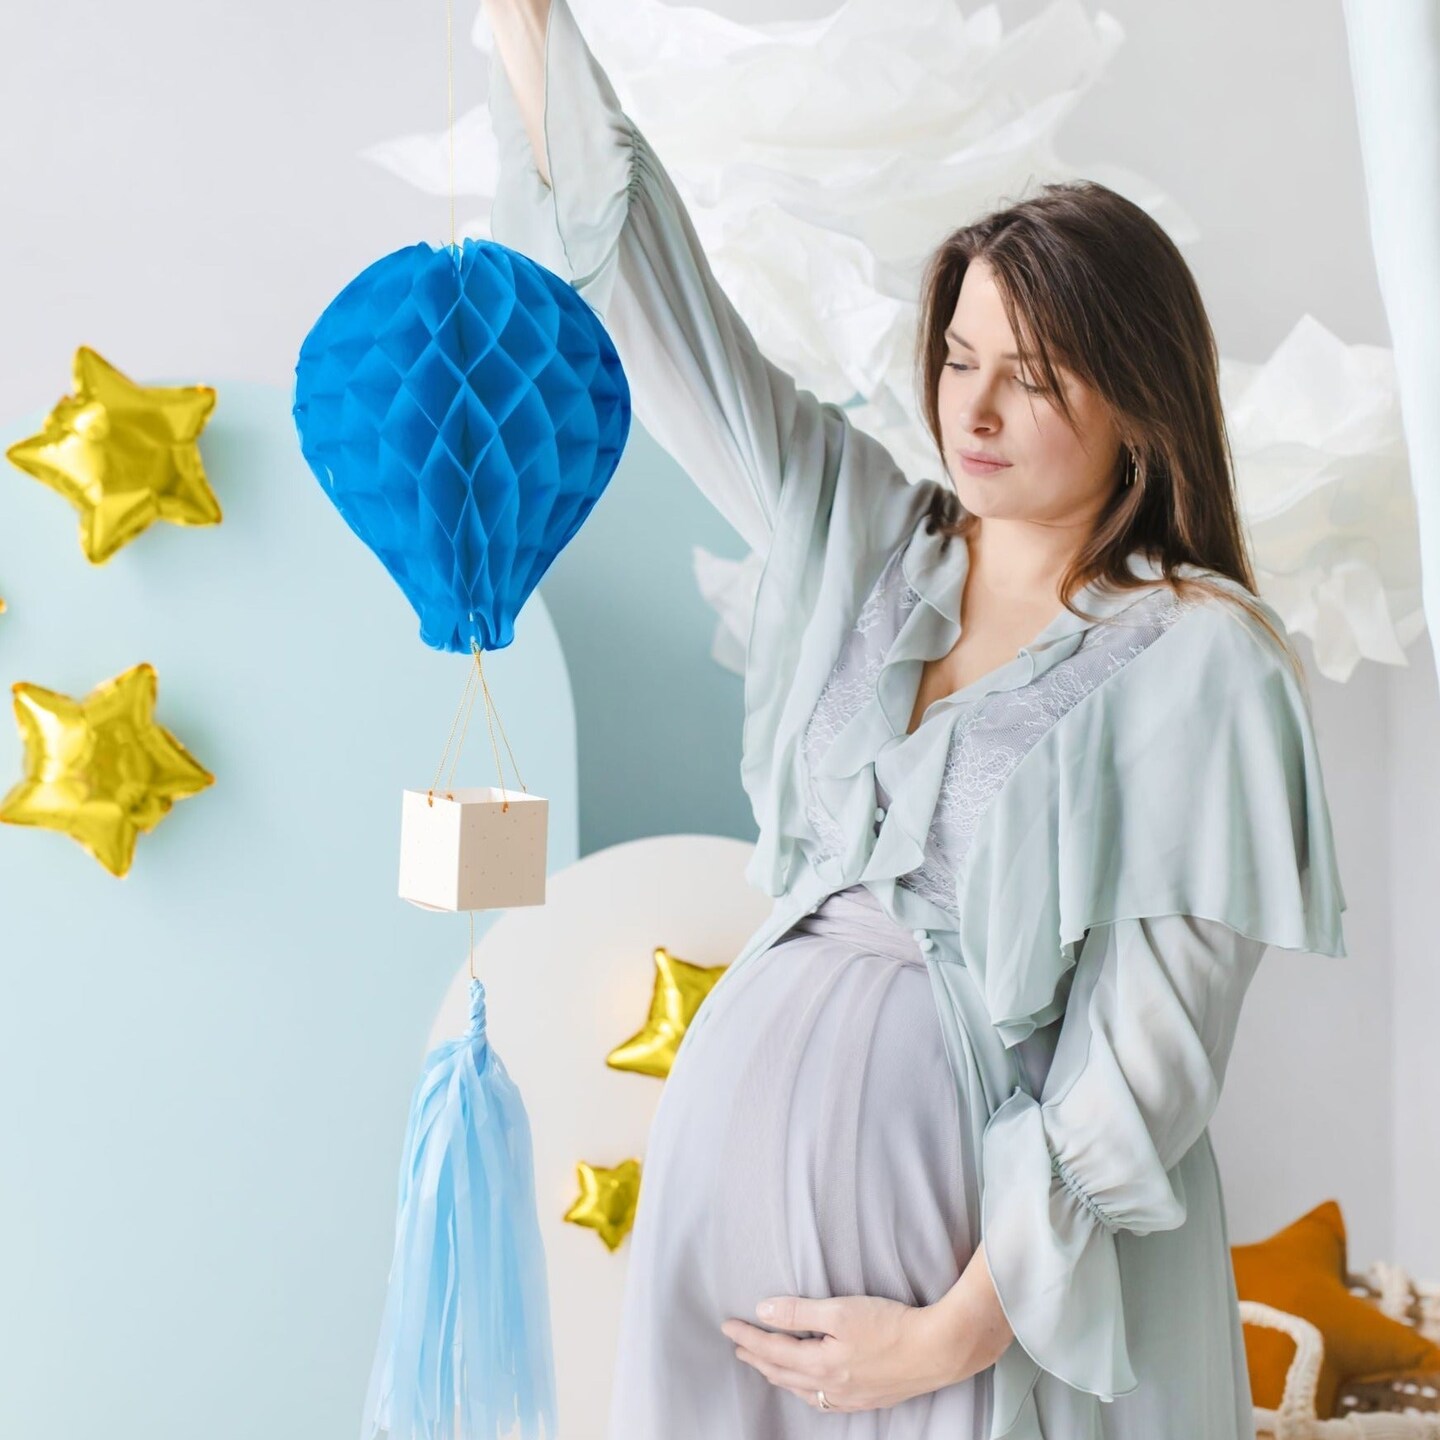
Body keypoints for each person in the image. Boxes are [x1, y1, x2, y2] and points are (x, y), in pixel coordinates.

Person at [482, 1, 1350, 1436]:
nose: (978, 406)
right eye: (960, 356)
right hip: (723, 1248)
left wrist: (950, 1334)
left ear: (1139, 401)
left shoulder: (1206, 658)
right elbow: (664, 311)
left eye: (1035, 372)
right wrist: (527, 31)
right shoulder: (869, 542)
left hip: (970, 1303)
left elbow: (1151, 1058)